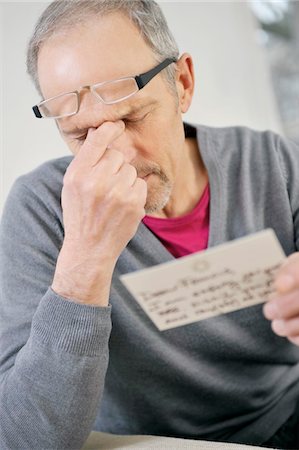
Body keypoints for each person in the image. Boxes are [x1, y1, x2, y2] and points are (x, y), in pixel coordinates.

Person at [1, 1, 299, 449]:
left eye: (130, 118)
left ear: (182, 83)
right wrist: (85, 260)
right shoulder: (40, 210)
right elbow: (24, 438)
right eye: (81, 135)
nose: (113, 155)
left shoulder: (271, 163)